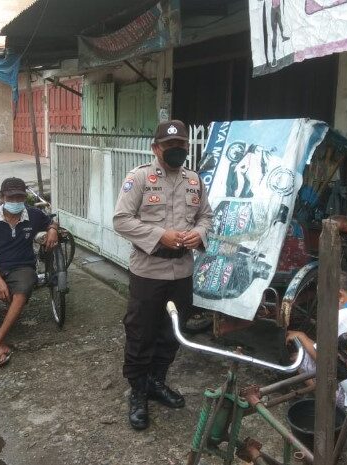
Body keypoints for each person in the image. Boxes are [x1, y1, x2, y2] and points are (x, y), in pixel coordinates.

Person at [113, 120, 213, 430]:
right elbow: (121, 220)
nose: (177, 151)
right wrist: (160, 235)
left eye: (181, 146)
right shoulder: (140, 178)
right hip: (148, 271)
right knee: (141, 331)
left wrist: (198, 234)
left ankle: (157, 382)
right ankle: (138, 391)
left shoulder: (194, 181)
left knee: (172, 332)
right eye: (170, 146)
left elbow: (206, 217)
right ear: (156, 148)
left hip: (181, 271)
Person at [0, 177, 59, 372]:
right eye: (11, 197)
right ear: (1, 197)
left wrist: (52, 230)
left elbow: (51, 221)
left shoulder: (33, 215)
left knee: (22, 290)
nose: (16, 202)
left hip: (22, 267)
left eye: (20, 197)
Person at [286, 271, 347, 408]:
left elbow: (323, 359)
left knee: (299, 358)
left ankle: (331, 409)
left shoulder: (339, 319)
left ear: (340, 296)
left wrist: (301, 336)